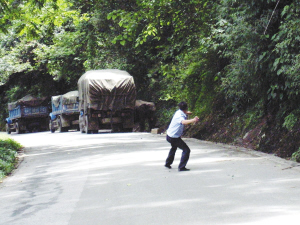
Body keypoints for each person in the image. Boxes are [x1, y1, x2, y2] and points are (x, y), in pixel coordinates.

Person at [165, 101, 199, 171]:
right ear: (186, 107)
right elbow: (183, 122)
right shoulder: (180, 116)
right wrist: (193, 120)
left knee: (174, 147)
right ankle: (181, 167)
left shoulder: (179, 112)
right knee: (186, 150)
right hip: (173, 137)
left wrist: (187, 113)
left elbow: (184, 112)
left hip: (170, 135)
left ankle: (167, 163)